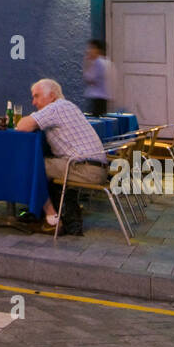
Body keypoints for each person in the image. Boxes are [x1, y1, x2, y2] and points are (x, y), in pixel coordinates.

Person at [14, 79, 106, 234]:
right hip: (96, 168)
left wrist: (31, 117)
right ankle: (41, 211)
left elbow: (22, 126)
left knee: (30, 165)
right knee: (44, 164)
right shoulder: (68, 105)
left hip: (86, 170)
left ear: (51, 96)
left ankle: (52, 218)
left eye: (37, 96)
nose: (33, 102)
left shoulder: (55, 108)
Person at [81, 39, 114, 117]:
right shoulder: (107, 62)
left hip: (98, 98)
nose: (89, 51)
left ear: (97, 50)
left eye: (91, 48)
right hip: (105, 97)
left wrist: (86, 63)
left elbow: (89, 78)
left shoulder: (98, 62)